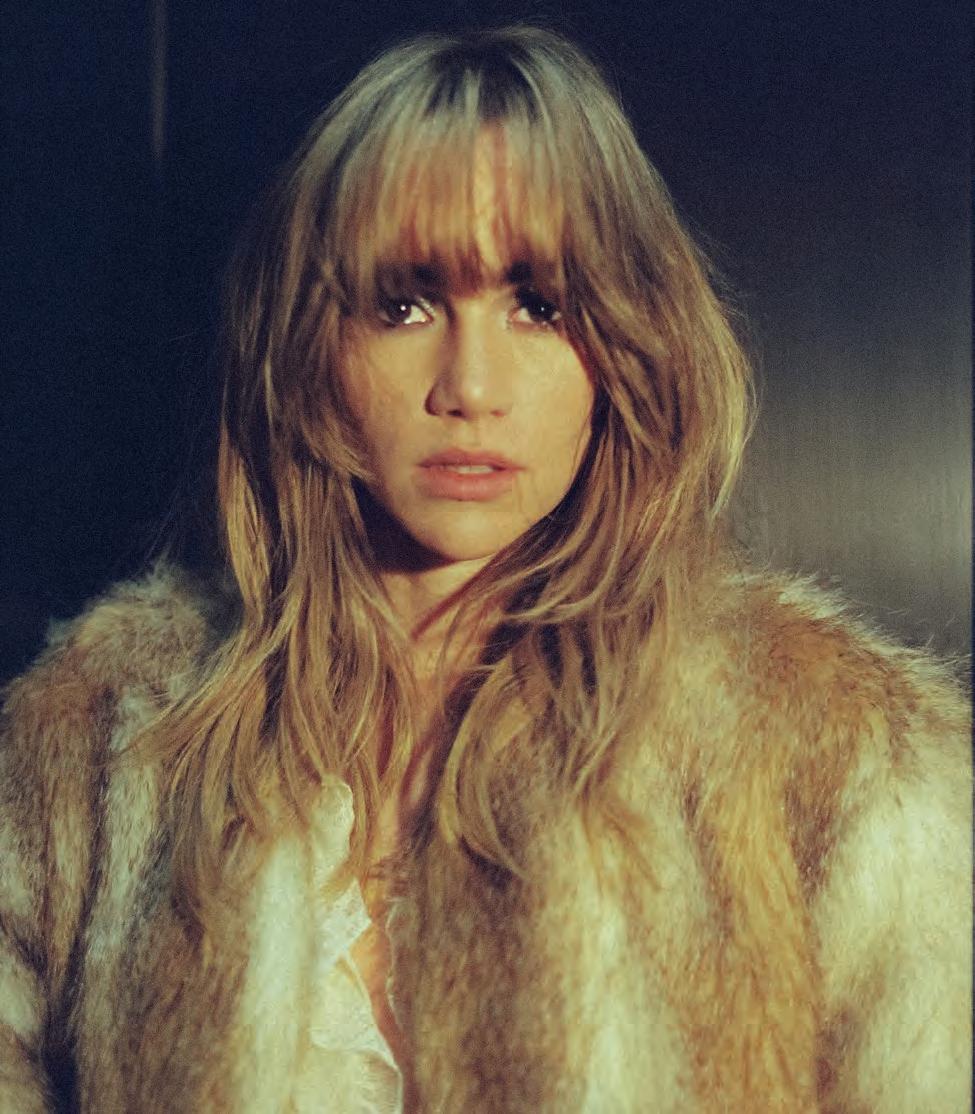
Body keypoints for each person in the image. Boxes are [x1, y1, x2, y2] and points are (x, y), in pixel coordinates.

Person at [0, 24, 969, 1114]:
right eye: (403, 304)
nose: (469, 385)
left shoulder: (841, 758)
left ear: (627, 349)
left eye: (539, 305)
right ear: (309, 346)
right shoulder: (98, 739)